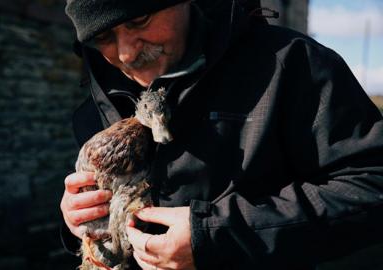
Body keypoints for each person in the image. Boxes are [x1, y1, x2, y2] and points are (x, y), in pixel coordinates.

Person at [59, 0, 383, 269]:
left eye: (139, 20)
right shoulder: (96, 105)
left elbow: (371, 184)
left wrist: (215, 235)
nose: (126, 54)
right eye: (102, 36)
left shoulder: (293, 64)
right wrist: (81, 221)